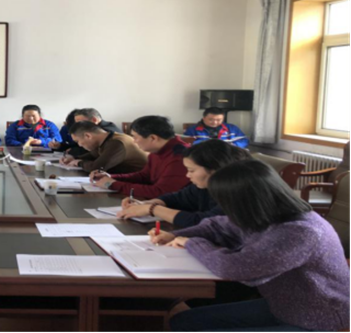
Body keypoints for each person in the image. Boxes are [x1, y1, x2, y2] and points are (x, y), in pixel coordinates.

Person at [156, 161, 350, 332]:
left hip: (318, 318)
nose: (225, 208)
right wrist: (175, 235)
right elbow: (216, 225)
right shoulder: (267, 215)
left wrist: (193, 243)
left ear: (246, 201)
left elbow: (234, 268)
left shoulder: (300, 231)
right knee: (183, 322)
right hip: (284, 306)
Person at [116, 140, 251, 228]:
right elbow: (178, 198)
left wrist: (152, 209)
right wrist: (148, 203)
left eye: (191, 170)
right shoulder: (204, 186)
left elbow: (205, 222)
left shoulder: (238, 192)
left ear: (215, 169)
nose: (187, 175)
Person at [92, 116, 190, 199]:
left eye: (135, 137)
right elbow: (144, 176)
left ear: (153, 138)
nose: (134, 141)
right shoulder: (157, 150)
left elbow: (161, 192)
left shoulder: (180, 157)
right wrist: (111, 177)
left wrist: (113, 184)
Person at [65, 121, 147, 174]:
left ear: (88, 136)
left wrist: (79, 163)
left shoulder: (117, 143)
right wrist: (74, 158)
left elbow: (97, 168)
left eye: (78, 141)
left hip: (140, 182)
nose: (79, 145)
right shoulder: (105, 139)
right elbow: (93, 155)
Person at [184, 107, 249, 149]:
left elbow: (244, 140)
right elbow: (186, 143)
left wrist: (232, 145)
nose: (214, 122)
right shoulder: (193, 130)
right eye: (211, 119)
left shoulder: (232, 128)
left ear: (223, 119)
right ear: (204, 118)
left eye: (218, 120)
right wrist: (208, 145)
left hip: (227, 154)